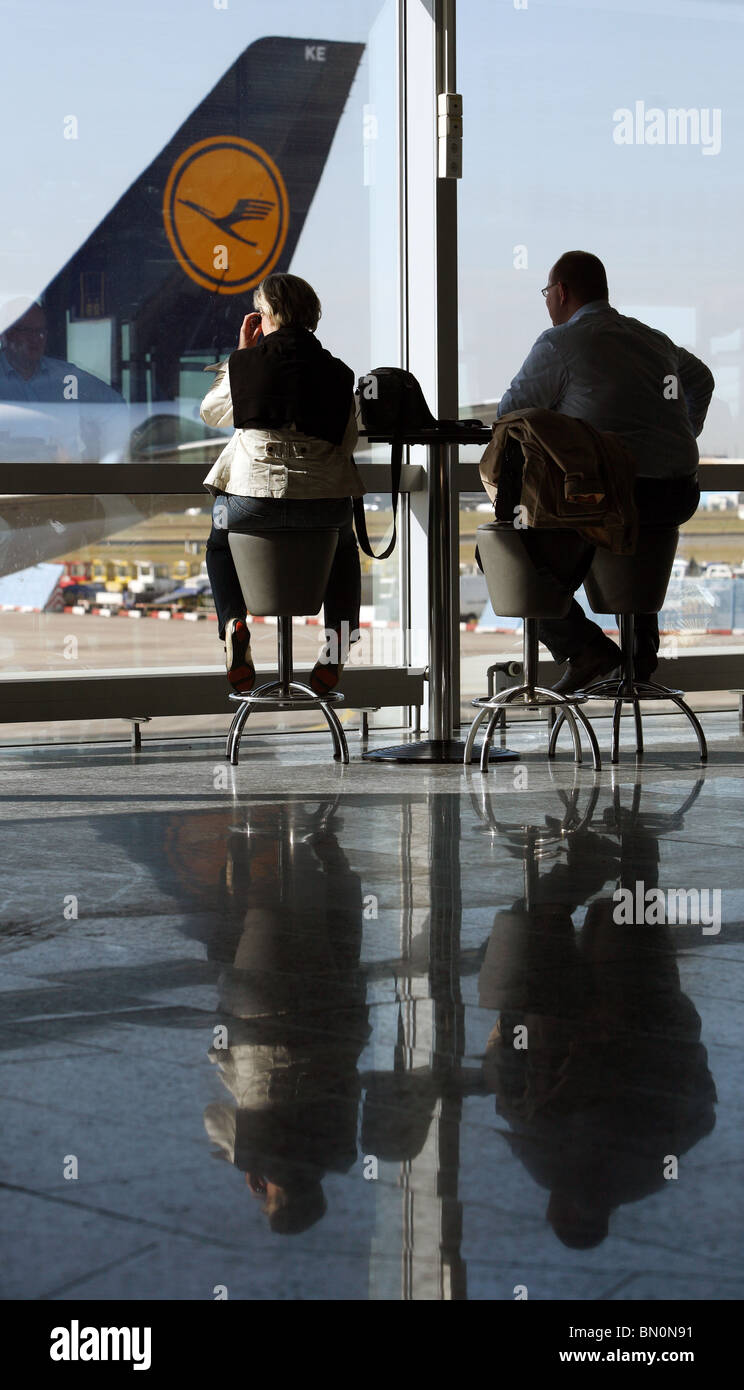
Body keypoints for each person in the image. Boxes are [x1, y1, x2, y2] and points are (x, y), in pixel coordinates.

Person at [495, 251, 714, 692]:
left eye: (546, 294)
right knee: (630, 539)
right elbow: (702, 379)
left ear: (561, 292)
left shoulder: (560, 343)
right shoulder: (652, 339)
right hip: (676, 494)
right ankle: (638, 660)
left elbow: (509, 414)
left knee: (503, 549)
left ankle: (585, 649)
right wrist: (683, 431)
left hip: (607, 497)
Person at [201, 273, 363, 695]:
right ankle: (337, 648)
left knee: (218, 541)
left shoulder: (246, 364)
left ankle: (234, 621)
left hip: (252, 503)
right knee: (343, 547)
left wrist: (241, 352)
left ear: (266, 315)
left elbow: (211, 414)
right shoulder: (339, 374)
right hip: (325, 505)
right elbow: (348, 442)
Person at [0, 298, 126, 461]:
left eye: (41, 332)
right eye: (27, 331)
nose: (36, 338)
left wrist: (107, 466)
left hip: (65, 481)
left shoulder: (67, 377)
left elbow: (115, 410)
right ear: (6, 333)